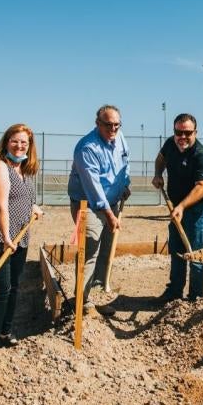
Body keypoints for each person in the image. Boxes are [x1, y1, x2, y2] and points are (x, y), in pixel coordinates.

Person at [0, 124, 44, 348]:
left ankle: (5, 332)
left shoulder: (22, 169)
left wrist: (33, 207)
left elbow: (22, 198)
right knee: (1, 288)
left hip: (19, 238)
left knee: (14, 286)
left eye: (24, 142)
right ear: (6, 142)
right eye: (15, 141)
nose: (19, 145)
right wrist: (6, 237)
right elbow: (2, 206)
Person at [67, 105, 130, 318]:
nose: (113, 129)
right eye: (108, 125)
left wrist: (125, 184)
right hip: (88, 205)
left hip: (112, 202)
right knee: (90, 249)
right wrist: (110, 216)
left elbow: (125, 161)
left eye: (116, 124)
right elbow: (93, 189)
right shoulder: (87, 148)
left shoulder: (120, 137)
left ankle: (97, 296)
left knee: (106, 251)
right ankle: (82, 302)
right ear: (97, 123)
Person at [152, 113, 203, 302]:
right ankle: (174, 292)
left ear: (195, 132)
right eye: (179, 132)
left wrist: (182, 206)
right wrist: (158, 174)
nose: (183, 137)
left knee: (194, 252)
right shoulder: (171, 144)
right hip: (176, 207)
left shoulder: (202, 155)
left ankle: (196, 295)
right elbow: (160, 158)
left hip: (197, 209)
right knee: (177, 248)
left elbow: (202, 188)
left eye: (187, 132)